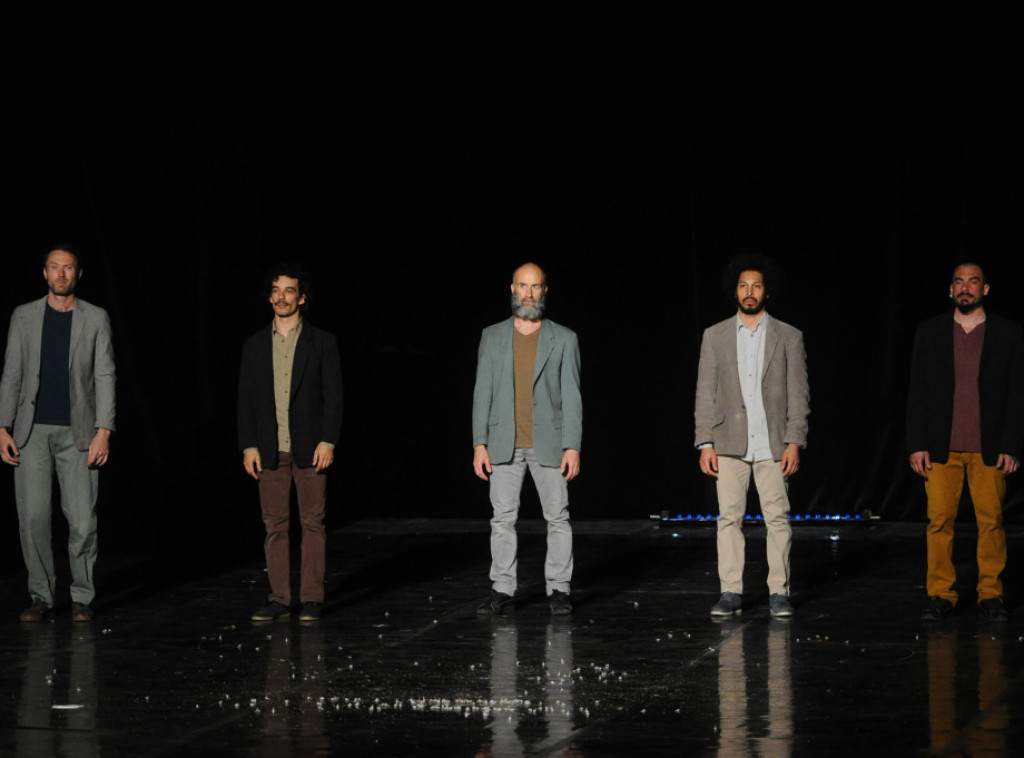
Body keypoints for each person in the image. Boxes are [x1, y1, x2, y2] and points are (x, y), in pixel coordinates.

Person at [0, 245, 116, 622]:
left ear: (78, 274)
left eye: (68, 268)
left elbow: (105, 374)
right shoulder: (24, 315)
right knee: (33, 519)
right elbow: (12, 372)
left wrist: (104, 431)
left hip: (79, 433)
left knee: (82, 521)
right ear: (45, 273)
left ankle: (82, 596)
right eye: (54, 267)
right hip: (30, 431)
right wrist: (2, 426)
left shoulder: (95, 317)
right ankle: (41, 596)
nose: (61, 274)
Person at [907, 262, 1024, 622]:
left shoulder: (1007, 333)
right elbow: (917, 390)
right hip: (941, 447)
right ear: (950, 289)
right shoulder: (931, 331)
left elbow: (1017, 393)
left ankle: (991, 594)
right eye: (959, 282)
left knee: (992, 522)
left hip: (989, 447)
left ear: (985, 289)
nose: (965, 287)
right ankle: (941, 594)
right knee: (939, 522)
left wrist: (1011, 444)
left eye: (973, 282)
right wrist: (916, 443)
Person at [694, 254, 809, 618]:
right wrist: (705, 442)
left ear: (766, 292)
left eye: (756, 286)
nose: (749, 292)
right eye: (743, 286)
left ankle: (779, 592)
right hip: (728, 442)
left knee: (778, 519)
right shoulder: (715, 335)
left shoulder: (789, 336)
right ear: (735, 291)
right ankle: (730, 590)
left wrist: (794, 441)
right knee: (729, 519)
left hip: (773, 443)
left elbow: (799, 394)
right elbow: (705, 392)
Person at [472, 262, 582, 615]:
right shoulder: (492, 336)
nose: (529, 293)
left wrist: (572, 446)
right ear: (512, 289)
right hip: (503, 442)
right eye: (523, 286)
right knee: (502, 519)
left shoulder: (564, 338)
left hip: (548, 442)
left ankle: (559, 589)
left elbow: (572, 396)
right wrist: (479, 443)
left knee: (558, 518)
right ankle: (502, 589)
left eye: (535, 287)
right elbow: (482, 392)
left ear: (544, 291)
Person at [238, 263, 343, 622]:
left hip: (311, 447)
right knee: (275, 527)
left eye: (289, 290)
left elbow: (334, 396)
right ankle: (280, 598)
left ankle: (311, 598)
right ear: (270, 297)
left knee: (313, 524)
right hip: (270, 447)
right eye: (276, 290)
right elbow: (245, 399)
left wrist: (328, 440)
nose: (281, 296)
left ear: (302, 297)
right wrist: (248, 445)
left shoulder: (322, 342)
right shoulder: (254, 345)